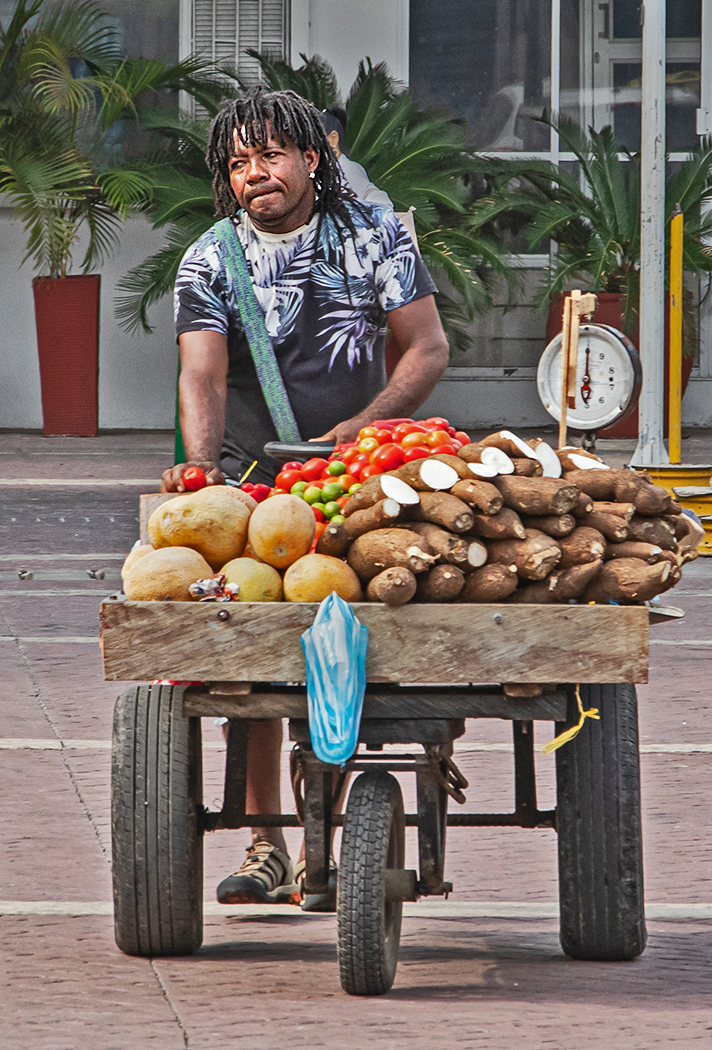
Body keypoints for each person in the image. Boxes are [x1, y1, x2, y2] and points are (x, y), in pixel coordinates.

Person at [162, 86, 449, 907]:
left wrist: (364, 426)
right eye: (240, 162)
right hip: (254, 484)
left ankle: (333, 821)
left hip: (366, 483)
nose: (256, 174)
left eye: (272, 155)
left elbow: (426, 350)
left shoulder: (378, 237)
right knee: (253, 659)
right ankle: (266, 847)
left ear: (313, 158)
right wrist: (207, 473)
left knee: (353, 638)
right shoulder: (211, 258)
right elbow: (202, 372)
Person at [320, 106, 394, 209]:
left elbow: (382, 203)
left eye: (316, 141)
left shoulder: (348, 170)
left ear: (333, 139)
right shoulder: (330, 172)